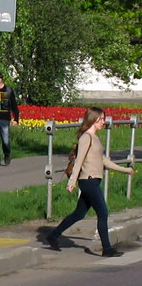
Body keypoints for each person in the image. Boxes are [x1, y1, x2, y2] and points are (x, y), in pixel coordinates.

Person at [44, 107, 135, 257]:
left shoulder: (95, 138)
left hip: (92, 181)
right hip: (88, 181)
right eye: (101, 119)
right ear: (93, 119)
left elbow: (104, 160)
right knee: (103, 213)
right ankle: (107, 249)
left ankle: (53, 235)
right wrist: (71, 181)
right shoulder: (86, 137)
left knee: (78, 214)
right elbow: (79, 161)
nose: (103, 122)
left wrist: (125, 170)